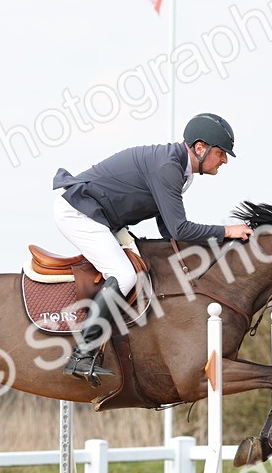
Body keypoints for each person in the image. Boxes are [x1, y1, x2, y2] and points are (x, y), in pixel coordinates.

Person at [52, 113, 254, 385]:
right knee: (125, 275)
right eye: (220, 153)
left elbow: (169, 229)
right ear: (200, 148)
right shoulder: (168, 168)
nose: (225, 160)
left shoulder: (181, 171)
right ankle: (82, 355)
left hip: (104, 217)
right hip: (79, 212)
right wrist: (227, 231)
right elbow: (179, 229)